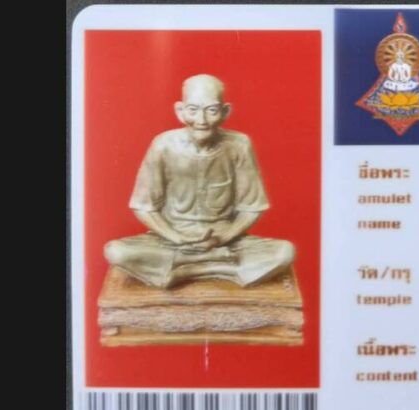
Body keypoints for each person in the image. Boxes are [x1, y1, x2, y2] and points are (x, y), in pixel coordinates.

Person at [104, 74, 295, 289]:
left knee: (285, 252)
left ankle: (182, 271)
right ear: (180, 111)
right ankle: (221, 268)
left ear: (225, 112)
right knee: (116, 252)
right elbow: (144, 207)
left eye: (211, 110)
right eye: (193, 110)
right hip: (172, 240)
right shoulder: (163, 145)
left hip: (225, 242)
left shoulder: (239, 145)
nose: (201, 120)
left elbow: (251, 208)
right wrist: (176, 237)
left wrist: (223, 237)